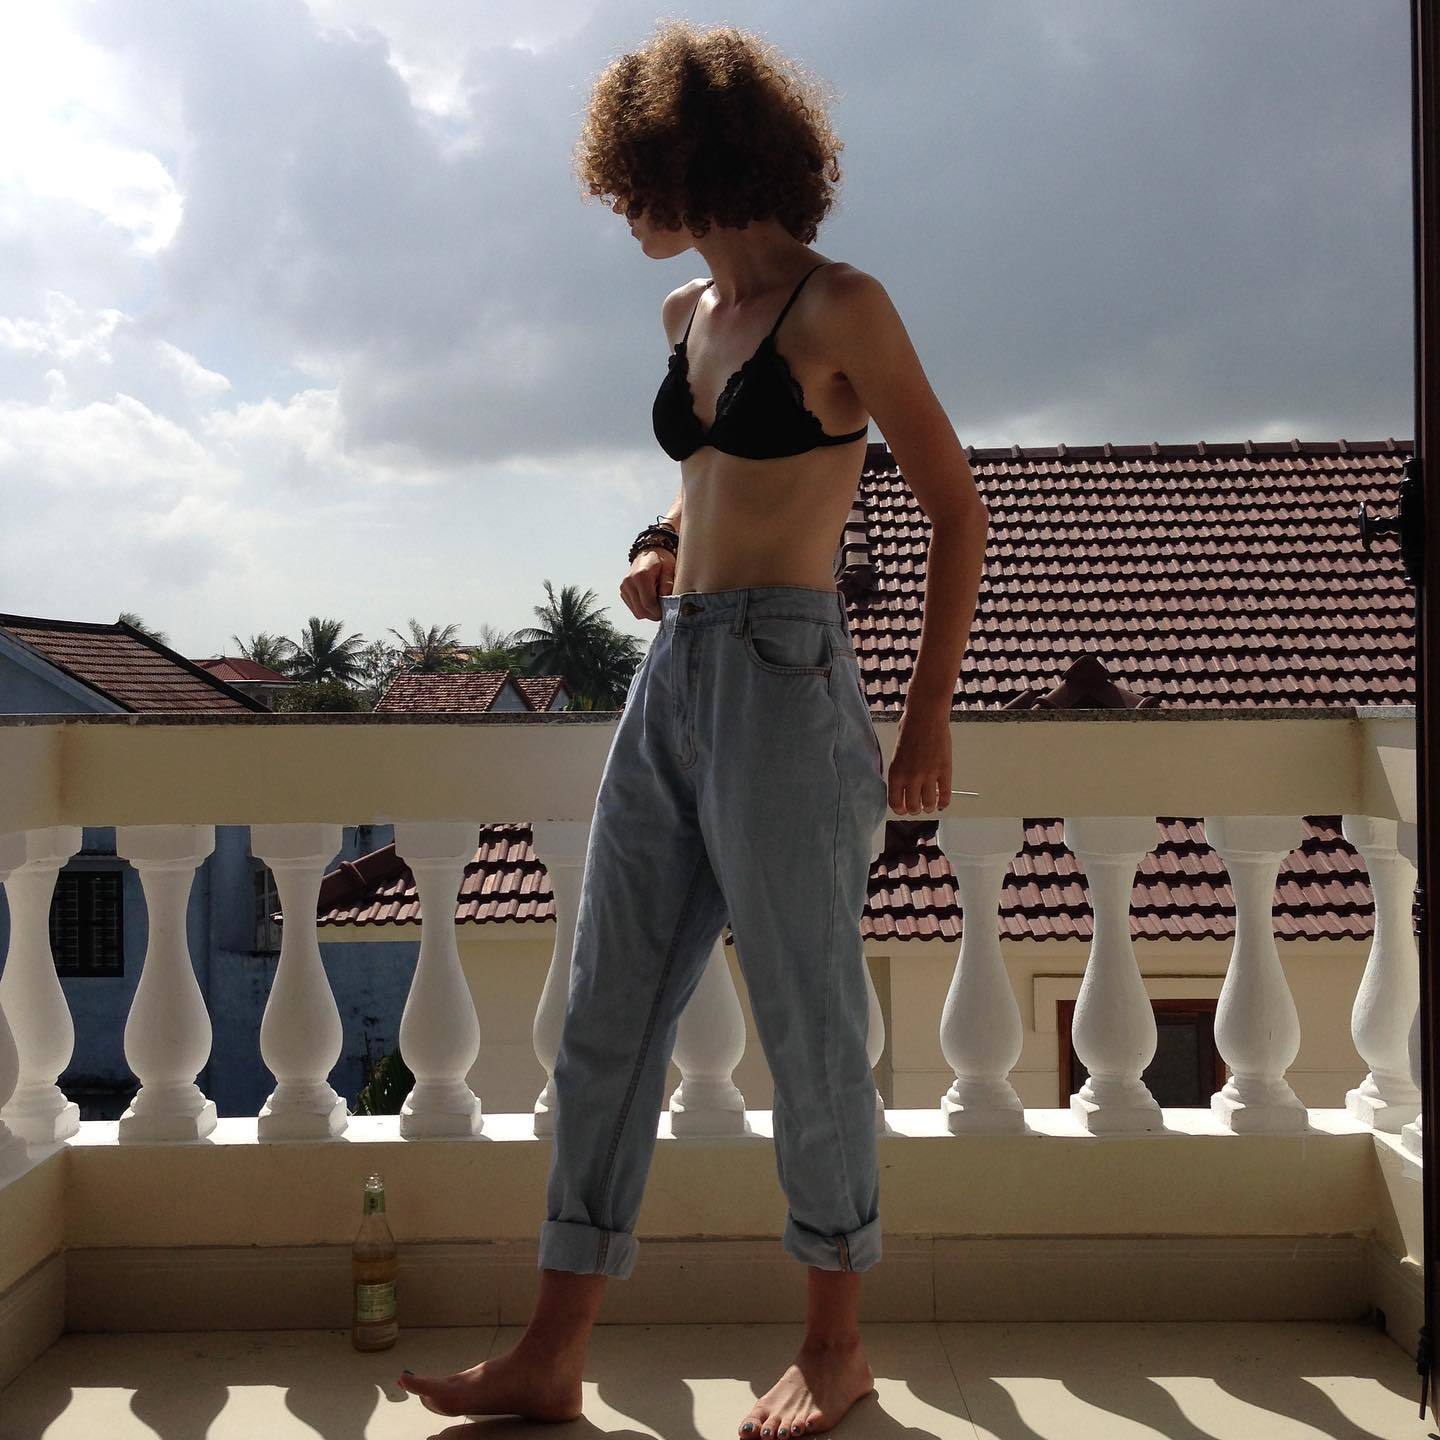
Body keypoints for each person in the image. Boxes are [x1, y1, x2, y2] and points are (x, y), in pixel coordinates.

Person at [399, 18, 988, 1436]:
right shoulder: (686, 316)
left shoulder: (843, 307)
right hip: (674, 676)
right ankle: (551, 1349)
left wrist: (926, 719)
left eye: (634, 181)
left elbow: (958, 509)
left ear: (698, 160)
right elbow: (705, 476)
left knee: (809, 1021)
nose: (623, 209)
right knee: (604, 1013)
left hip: (789, 678)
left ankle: (837, 1346)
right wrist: (659, 545)